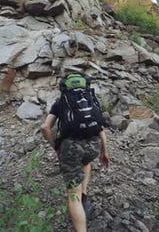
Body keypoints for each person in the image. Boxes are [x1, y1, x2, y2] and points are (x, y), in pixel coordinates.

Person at [41, 73, 109, 232]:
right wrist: (104, 152)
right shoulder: (91, 99)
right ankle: (84, 196)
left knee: (73, 195)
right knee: (85, 162)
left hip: (71, 149)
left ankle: (79, 202)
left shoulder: (61, 102)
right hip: (93, 146)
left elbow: (45, 128)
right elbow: (100, 127)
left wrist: (56, 147)